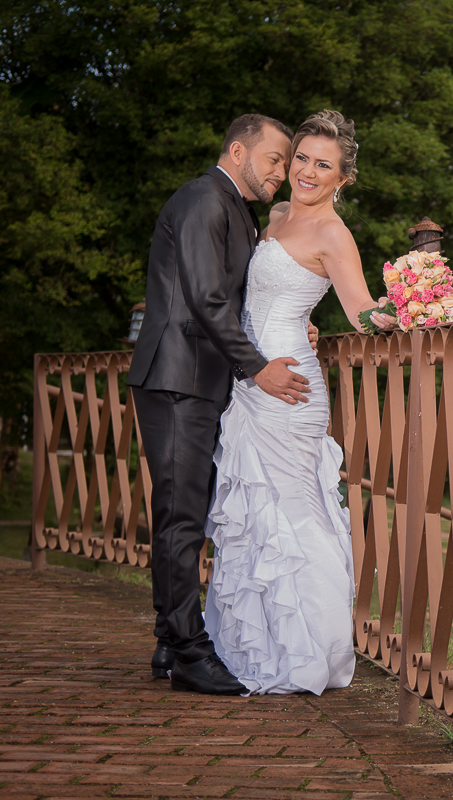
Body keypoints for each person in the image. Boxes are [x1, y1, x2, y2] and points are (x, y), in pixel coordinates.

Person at [202, 110, 395, 695]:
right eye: (302, 159)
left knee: (295, 513)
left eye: (323, 165)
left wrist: (410, 310)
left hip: (291, 390)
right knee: (256, 516)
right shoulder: (276, 214)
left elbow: (361, 309)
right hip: (250, 379)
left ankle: (314, 652)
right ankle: (251, 646)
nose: (307, 172)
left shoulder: (335, 234)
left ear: (344, 178)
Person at [128, 114, 318, 695]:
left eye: (287, 164)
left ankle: (168, 640)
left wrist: (296, 327)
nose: (282, 173)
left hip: (201, 380)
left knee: (186, 512)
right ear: (238, 151)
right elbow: (208, 300)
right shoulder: (202, 200)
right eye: (275, 160)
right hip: (178, 377)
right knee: (182, 517)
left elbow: (238, 300)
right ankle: (188, 651)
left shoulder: (237, 208)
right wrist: (257, 366)